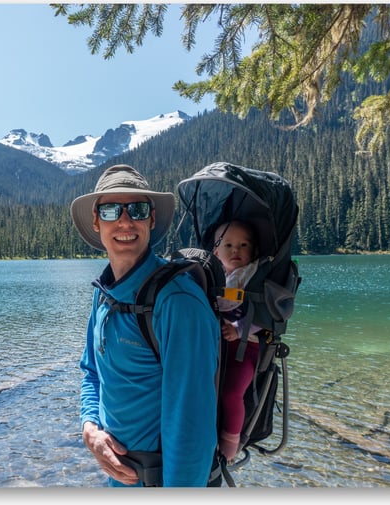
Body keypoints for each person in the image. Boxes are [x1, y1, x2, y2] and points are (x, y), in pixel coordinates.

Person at [70, 164, 220, 487]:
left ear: (151, 218)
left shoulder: (178, 303)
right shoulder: (104, 294)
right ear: (96, 221)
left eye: (136, 209)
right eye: (111, 210)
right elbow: (91, 372)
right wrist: (90, 430)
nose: (125, 221)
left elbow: (191, 432)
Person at [211, 220, 262, 462]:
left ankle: (230, 449)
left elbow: (267, 315)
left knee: (232, 393)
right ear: (215, 252)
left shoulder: (254, 275)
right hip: (215, 347)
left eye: (243, 245)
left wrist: (240, 329)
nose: (236, 251)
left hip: (245, 347)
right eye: (228, 245)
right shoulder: (213, 274)